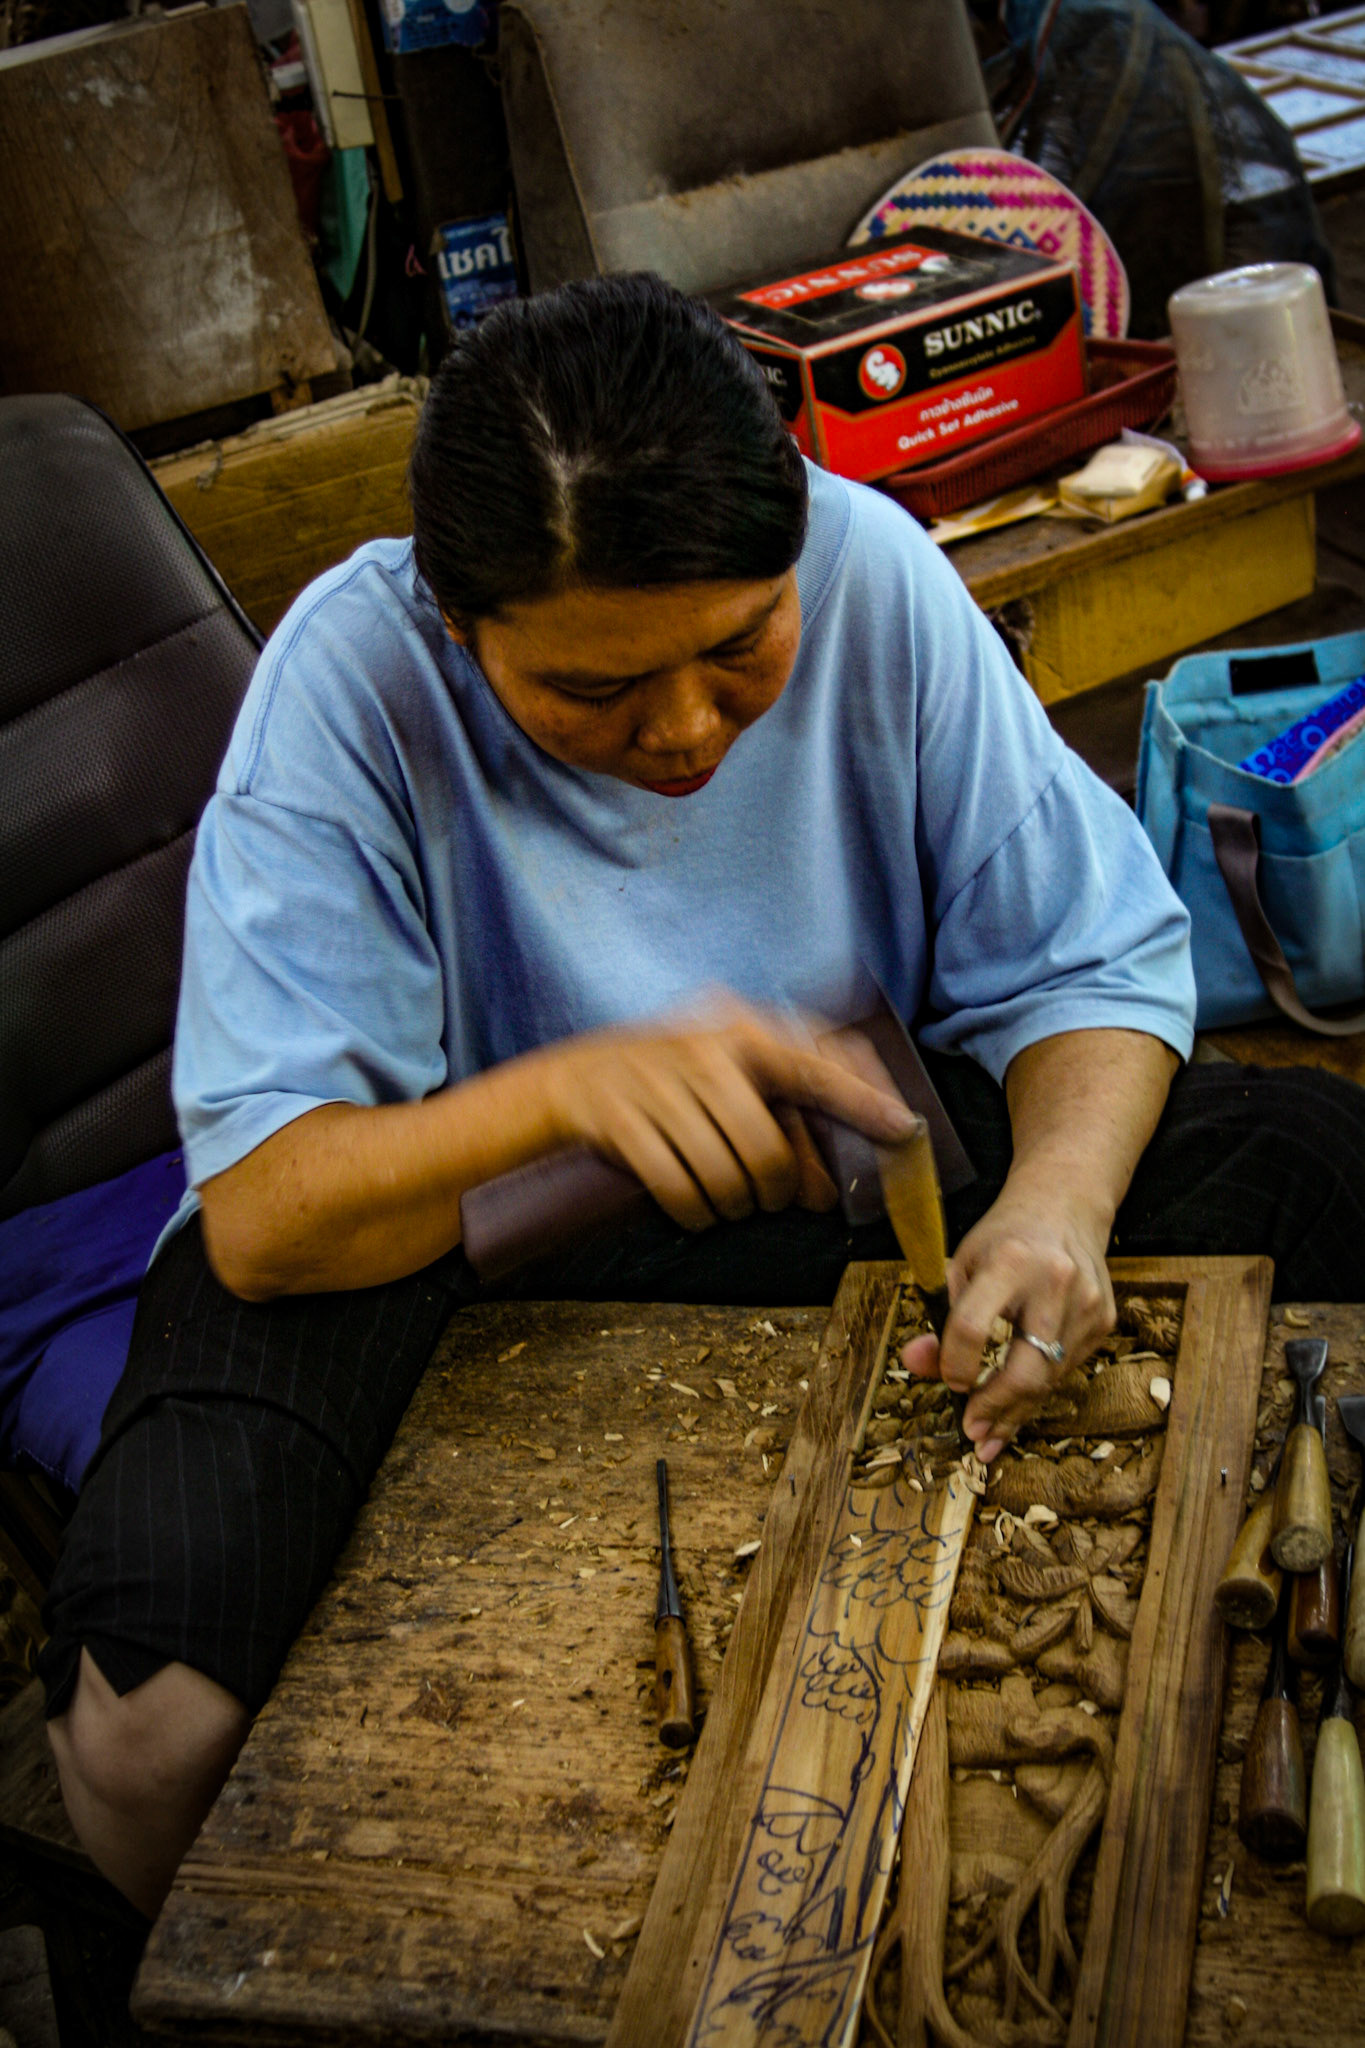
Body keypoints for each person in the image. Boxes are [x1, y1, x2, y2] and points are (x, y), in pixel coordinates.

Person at [40, 274, 1365, 1918]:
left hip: (821, 1149)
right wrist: (565, 1093)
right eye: (588, 694)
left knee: (1313, 1159)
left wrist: (1051, 1204)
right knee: (149, 1730)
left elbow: (1081, 964)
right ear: (458, 631)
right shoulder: (351, 685)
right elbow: (266, 1217)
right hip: (418, 1233)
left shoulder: (871, 573)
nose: (682, 731)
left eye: (740, 649)